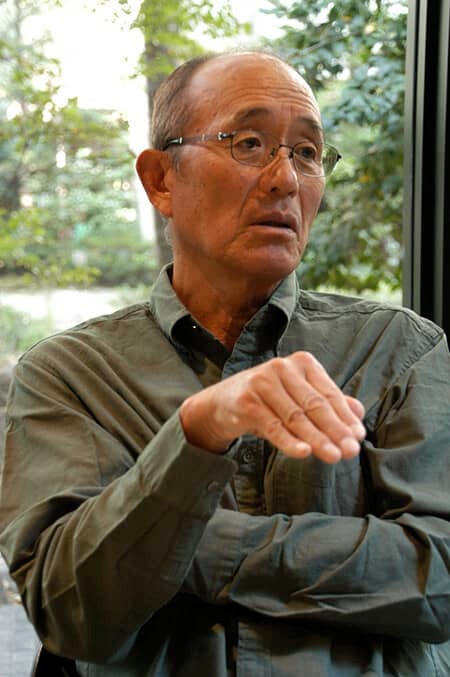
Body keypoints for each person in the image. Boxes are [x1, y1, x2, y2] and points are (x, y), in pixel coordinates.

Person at [0, 51, 449, 677]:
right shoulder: (71, 373)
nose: (285, 179)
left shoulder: (400, 349)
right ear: (161, 180)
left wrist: (178, 540)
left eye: (308, 153)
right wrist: (197, 433)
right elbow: (70, 608)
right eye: (248, 143)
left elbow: (439, 581)